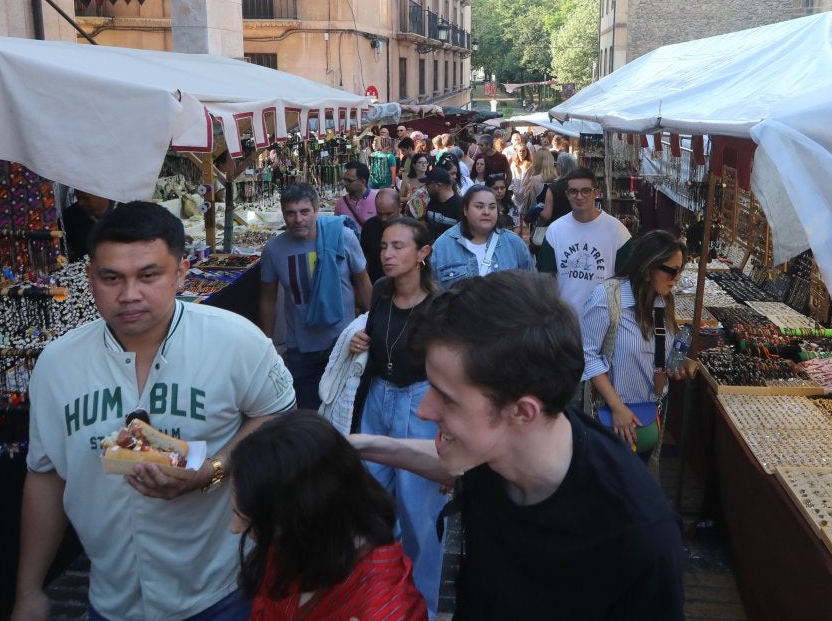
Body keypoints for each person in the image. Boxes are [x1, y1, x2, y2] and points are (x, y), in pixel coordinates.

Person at [13, 201, 295, 621]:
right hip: (112, 597)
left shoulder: (236, 341)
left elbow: (279, 416)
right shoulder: (58, 365)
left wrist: (214, 469)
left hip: (220, 589)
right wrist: (29, 590)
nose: (129, 294)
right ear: (90, 277)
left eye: (148, 275)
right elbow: (46, 474)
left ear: (181, 272)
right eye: (111, 278)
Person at [351, 271, 685, 620]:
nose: (424, 410)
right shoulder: (502, 446)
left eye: (447, 398)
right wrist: (359, 446)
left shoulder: (638, 539)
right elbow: (450, 462)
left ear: (523, 412)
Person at [231, 410, 426, 621]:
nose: (234, 528)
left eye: (245, 518)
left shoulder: (384, 608)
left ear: (301, 518)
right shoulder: (293, 548)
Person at [347, 218, 445, 615]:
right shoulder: (381, 292)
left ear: (423, 253)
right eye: (384, 246)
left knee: (419, 512)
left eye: (398, 247)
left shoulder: (438, 306)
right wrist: (362, 340)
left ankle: (426, 607)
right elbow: (379, 338)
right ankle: (380, 594)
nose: (387, 255)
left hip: (419, 402)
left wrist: (449, 438)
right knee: (370, 502)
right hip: (378, 397)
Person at [259, 184, 372, 410]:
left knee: (346, 411)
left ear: (317, 210)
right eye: (291, 213)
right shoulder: (274, 250)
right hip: (301, 349)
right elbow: (268, 299)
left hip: (345, 343)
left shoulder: (343, 237)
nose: (298, 219)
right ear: (283, 214)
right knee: (309, 414)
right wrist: (266, 344)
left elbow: (363, 282)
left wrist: (371, 328)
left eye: (304, 211)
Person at [580, 231, 685, 459]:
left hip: (649, 413)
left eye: (680, 270)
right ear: (648, 269)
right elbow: (587, 355)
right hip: (611, 415)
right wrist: (617, 407)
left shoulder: (664, 301)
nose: (676, 278)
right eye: (671, 270)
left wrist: (674, 365)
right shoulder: (607, 297)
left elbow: (658, 350)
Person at [536, 167, 632, 317]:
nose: (579, 196)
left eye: (585, 191)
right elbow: (545, 279)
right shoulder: (555, 230)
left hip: (604, 319)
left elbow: (627, 282)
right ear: (567, 194)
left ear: (596, 193)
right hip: (565, 320)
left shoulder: (618, 231)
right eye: (573, 191)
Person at [431, 185, 534, 286]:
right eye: (479, 206)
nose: (486, 212)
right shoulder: (442, 247)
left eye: (492, 207)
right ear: (465, 210)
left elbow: (532, 286)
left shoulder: (514, 243)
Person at [361, 188, 401, 285]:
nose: (383, 219)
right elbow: (364, 260)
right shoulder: (369, 227)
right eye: (379, 213)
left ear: (400, 207)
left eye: (389, 214)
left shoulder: (412, 229)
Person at [518, 148, 558, 242]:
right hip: (556, 221)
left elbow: (532, 204)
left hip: (540, 223)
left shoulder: (535, 179)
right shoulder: (557, 179)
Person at [61, 190, 114, 262]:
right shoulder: (70, 215)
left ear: (102, 195)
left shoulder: (124, 211)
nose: (80, 203)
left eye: (85, 198)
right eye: (78, 198)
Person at [422, 166, 463, 238]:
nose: (426, 187)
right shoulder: (432, 202)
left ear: (438, 185)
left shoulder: (460, 206)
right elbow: (426, 224)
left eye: (428, 184)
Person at [335, 161, 377, 228]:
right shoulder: (341, 203)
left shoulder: (377, 200)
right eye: (344, 180)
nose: (345, 183)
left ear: (363, 182)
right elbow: (337, 228)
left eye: (349, 181)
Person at [401, 153, 431, 219]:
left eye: (426, 162)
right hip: (410, 215)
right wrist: (410, 198)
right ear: (414, 165)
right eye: (420, 162)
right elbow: (399, 198)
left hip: (427, 216)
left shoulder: (431, 181)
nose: (424, 165)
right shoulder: (406, 181)